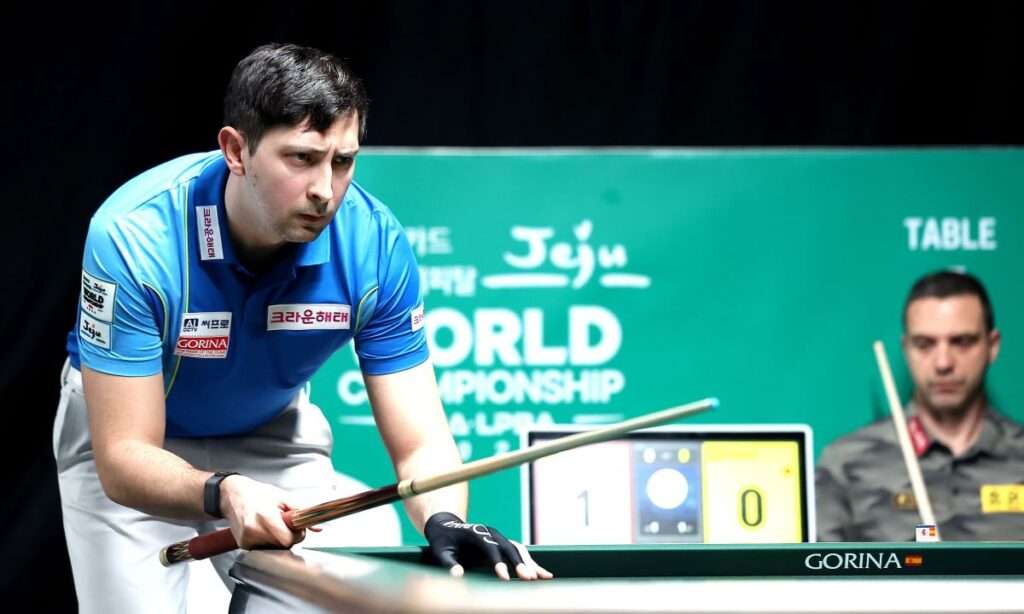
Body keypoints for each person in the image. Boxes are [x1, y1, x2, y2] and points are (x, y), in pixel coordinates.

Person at [54, 42, 551, 614]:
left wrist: (446, 518)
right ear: (236, 150)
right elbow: (124, 455)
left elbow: (421, 444)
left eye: (342, 162)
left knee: (332, 601)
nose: (324, 189)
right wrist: (224, 490)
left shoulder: (373, 246)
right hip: (135, 446)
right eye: (301, 158)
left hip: (268, 436)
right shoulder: (135, 237)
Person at [816, 270, 1024, 541]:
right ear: (906, 349)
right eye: (925, 344)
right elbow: (820, 567)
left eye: (962, 342)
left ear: (992, 346)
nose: (943, 363)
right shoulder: (844, 464)